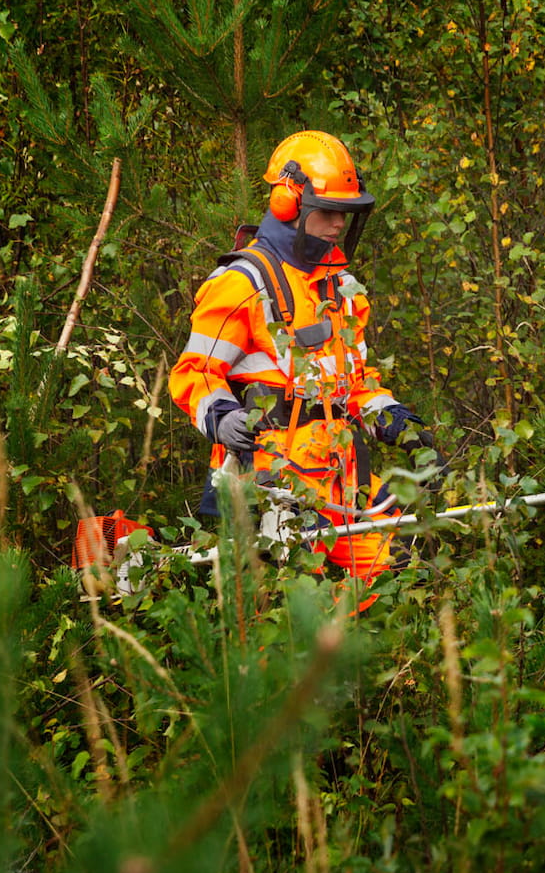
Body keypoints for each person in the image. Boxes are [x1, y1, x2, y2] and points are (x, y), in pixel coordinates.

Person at [170, 130, 435, 610]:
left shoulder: (340, 287)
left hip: (342, 476)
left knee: (396, 573)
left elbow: (353, 381)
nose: (338, 224)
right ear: (288, 202)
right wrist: (222, 417)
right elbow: (196, 372)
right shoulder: (242, 282)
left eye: (345, 213)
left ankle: (351, 654)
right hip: (271, 485)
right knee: (288, 610)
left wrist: (396, 420)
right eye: (328, 211)